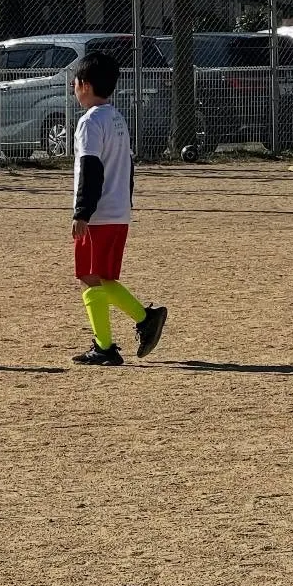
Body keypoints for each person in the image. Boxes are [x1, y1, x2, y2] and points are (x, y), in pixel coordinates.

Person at [69, 50, 167, 366]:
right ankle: (145, 319)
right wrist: (126, 202)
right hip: (117, 210)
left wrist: (82, 211)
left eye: (75, 81)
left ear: (84, 85)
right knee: (104, 278)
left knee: (88, 277)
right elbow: (126, 166)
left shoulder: (90, 122)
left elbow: (90, 168)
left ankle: (105, 346)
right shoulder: (117, 118)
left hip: (97, 214)